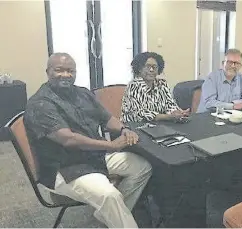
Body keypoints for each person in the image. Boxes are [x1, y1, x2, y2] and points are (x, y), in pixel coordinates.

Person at [24, 53, 152, 228]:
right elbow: (68, 139)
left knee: (142, 167)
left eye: (70, 71)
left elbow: (106, 118)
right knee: (109, 195)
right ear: (48, 72)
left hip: (93, 156)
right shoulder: (40, 103)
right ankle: (119, 219)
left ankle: (109, 217)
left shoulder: (83, 93)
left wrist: (124, 129)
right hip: (65, 167)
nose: (65, 75)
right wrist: (111, 145)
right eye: (59, 70)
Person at [121, 52, 189, 123]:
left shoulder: (162, 84)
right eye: (147, 66)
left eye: (154, 67)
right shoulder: (133, 86)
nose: (151, 70)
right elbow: (140, 114)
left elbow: (170, 104)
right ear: (139, 69)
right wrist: (168, 117)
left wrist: (176, 112)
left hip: (158, 125)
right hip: (134, 126)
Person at [196, 49, 242, 113]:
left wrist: (234, 103)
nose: (233, 66)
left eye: (236, 63)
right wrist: (232, 106)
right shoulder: (212, 78)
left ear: (240, 66)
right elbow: (209, 103)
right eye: (230, 62)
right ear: (223, 63)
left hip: (231, 116)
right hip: (208, 117)